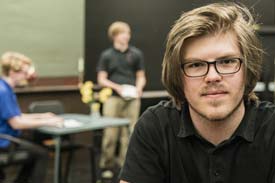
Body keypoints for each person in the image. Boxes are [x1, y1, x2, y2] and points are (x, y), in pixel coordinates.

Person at [119, 2, 275, 183]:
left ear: (247, 69)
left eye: (227, 61)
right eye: (196, 65)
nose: (213, 76)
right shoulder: (155, 128)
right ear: (177, 76)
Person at [0, 52, 63, 183]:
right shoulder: (3, 91)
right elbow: (16, 123)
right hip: (4, 142)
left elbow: (16, 116)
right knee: (41, 154)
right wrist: (47, 122)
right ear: (12, 72)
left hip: (7, 138)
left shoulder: (5, 88)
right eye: (24, 72)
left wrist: (41, 116)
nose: (26, 76)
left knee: (36, 149)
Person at [97, 21, 146, 177]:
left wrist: (139, 88)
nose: (127, 36)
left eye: (128, 33)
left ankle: (125, 166)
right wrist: (117, 87)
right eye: (124, 32)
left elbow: (141, 76)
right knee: (110, 134)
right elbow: (101, 79)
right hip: (113, 98)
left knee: (130, 134)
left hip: (132, 98)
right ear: (115, 35)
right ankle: (106, 165)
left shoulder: (136, 54)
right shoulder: (107, 55)